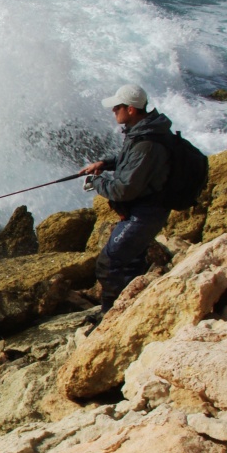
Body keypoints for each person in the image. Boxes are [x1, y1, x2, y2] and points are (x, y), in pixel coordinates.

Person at [79, 84, 172, 314]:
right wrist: (105, 164)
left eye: (117, 107)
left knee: (108, 265)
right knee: (130, 264)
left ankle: (111, 315)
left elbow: (123, 190)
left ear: (131, 109)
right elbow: (127, 158)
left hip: (146, 213)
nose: (113, 111)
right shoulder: (143, 130)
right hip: (145, 209)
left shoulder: (146, 141)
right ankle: (131, 308)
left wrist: (95, 182)